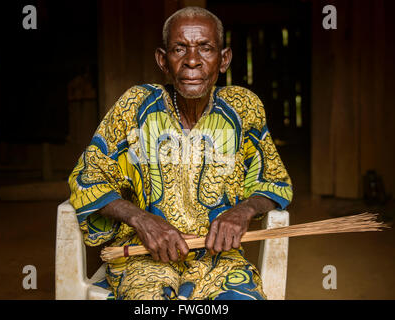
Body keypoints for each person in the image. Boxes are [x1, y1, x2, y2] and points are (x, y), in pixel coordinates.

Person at [68, 6, 292, 300]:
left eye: (206, 49)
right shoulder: (136, 106)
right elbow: (88, 177)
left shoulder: (243, 107)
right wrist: (140, 219)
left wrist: (244, 210)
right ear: (163, 60)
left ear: (224, 59)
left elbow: (273, 180)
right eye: (179, 49)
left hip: (220, 261)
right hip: (143, 260)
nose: (192, 61)